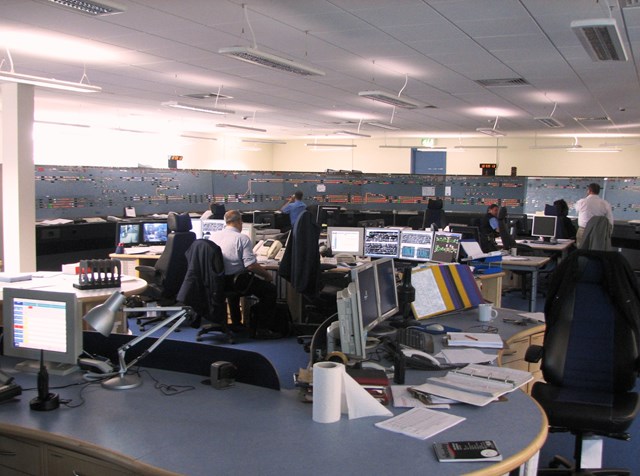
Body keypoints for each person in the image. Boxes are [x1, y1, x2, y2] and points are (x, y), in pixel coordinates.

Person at [210, 210, 281, 339]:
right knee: (270, 290)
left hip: (217, 281)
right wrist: (267, 276)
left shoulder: (213, 236)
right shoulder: (242, 238)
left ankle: (237, 323)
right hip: (235, 281)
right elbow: (251, 265)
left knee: (234, 289)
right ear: (238, 221)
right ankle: (263, 328)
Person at [574, 183, 613, 247]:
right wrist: (608, 234)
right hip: (598, 232)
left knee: (581, 251)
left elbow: (577, 212)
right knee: (595, 251)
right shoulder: (605, 203)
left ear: (589, 190)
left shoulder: (581, 202)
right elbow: (610, 220)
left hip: (583, 230)